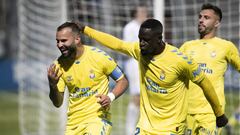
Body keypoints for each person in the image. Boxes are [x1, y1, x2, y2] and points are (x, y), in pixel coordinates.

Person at [75, 18, 228, 135]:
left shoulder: (180, 60)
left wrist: (219, 114)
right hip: (145, 126)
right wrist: (85, 29)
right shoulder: (139, 51)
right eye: (140, 38)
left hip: (171, 128)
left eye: (146, 40)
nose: (141, 43)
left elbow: (205, 83)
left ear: (159, 39)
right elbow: (117, 44)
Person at [47, 22, 129, 135]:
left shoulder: (98, 57)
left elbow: (123, 81)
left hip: (98, 119)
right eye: (57, 41)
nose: (59, 45)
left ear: (77, 39)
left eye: (64, 40)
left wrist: (110, 97)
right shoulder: (58, 66)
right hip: (73, 124)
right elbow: (58, 103)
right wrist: (52, 85)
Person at [180, 3, 240, 135]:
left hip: (211, 113)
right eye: (200, 17)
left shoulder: (226, 46)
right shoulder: (186, 46)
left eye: (206, 18)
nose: (201, 20)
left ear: (217, 23)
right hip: (186, 111)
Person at [122, 5, 148, 135]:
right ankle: (129, 130)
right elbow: (127, 48)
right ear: (136, 14)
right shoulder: (130, 27)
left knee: (146, 97)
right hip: (134, 64)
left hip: (146, 63)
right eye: (141, 12)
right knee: (137, 96)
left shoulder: (148, 27)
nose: (144, 14)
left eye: (145, 12)